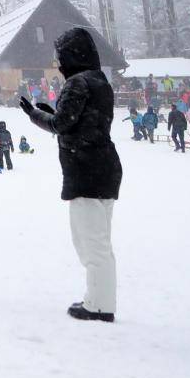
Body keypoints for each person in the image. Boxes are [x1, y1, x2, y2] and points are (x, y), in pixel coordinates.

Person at [19, 27, 123, 324]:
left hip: (86, 168)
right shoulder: (99, 80)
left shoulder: (78, 82)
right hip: (103, 166)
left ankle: (99, 305)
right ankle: (100, 299)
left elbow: (63, 124)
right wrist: (52, 112)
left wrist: (35, 115)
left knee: (91, 243)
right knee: (99, 241)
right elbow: (80, 121)